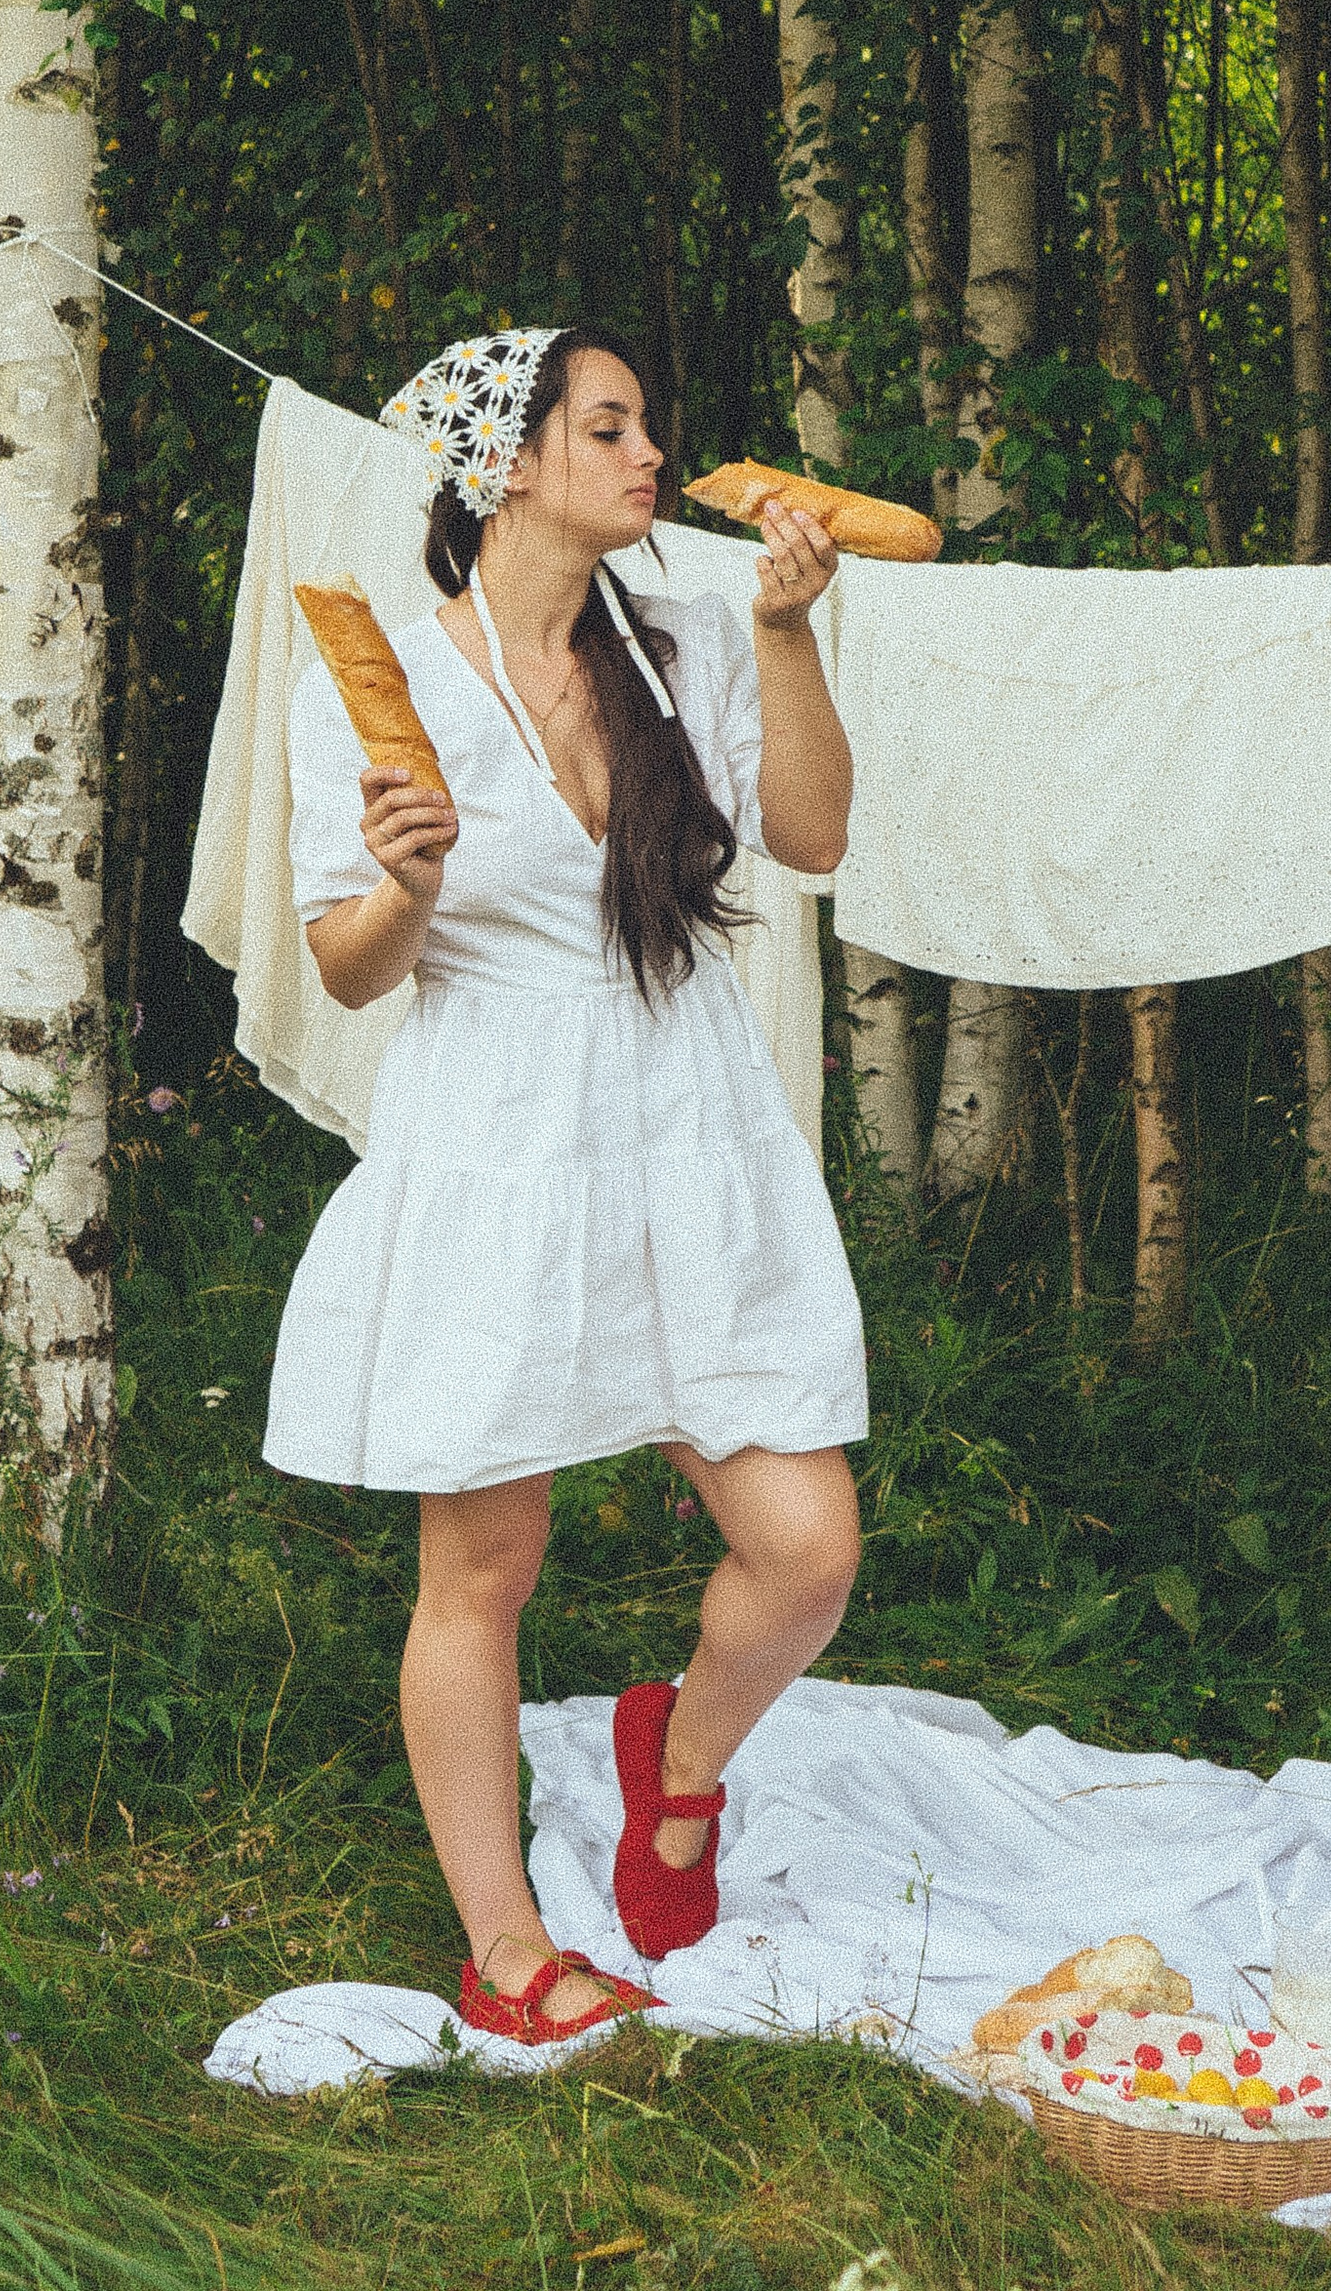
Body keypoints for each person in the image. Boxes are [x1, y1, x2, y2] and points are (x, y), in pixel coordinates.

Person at [265, 323, 869, 2044]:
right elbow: (355, 968)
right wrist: (400, 884)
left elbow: (815, 837)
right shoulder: (378, 677)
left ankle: (673, 1770)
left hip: (688, 1117)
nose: (649, 452)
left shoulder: (678, 636)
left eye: (646, 421)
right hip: (499, 1136)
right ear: (508, 465)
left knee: (805, 1546)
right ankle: (508, 1945)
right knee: (486, 1560)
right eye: (609, 426)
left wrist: (785, 629)